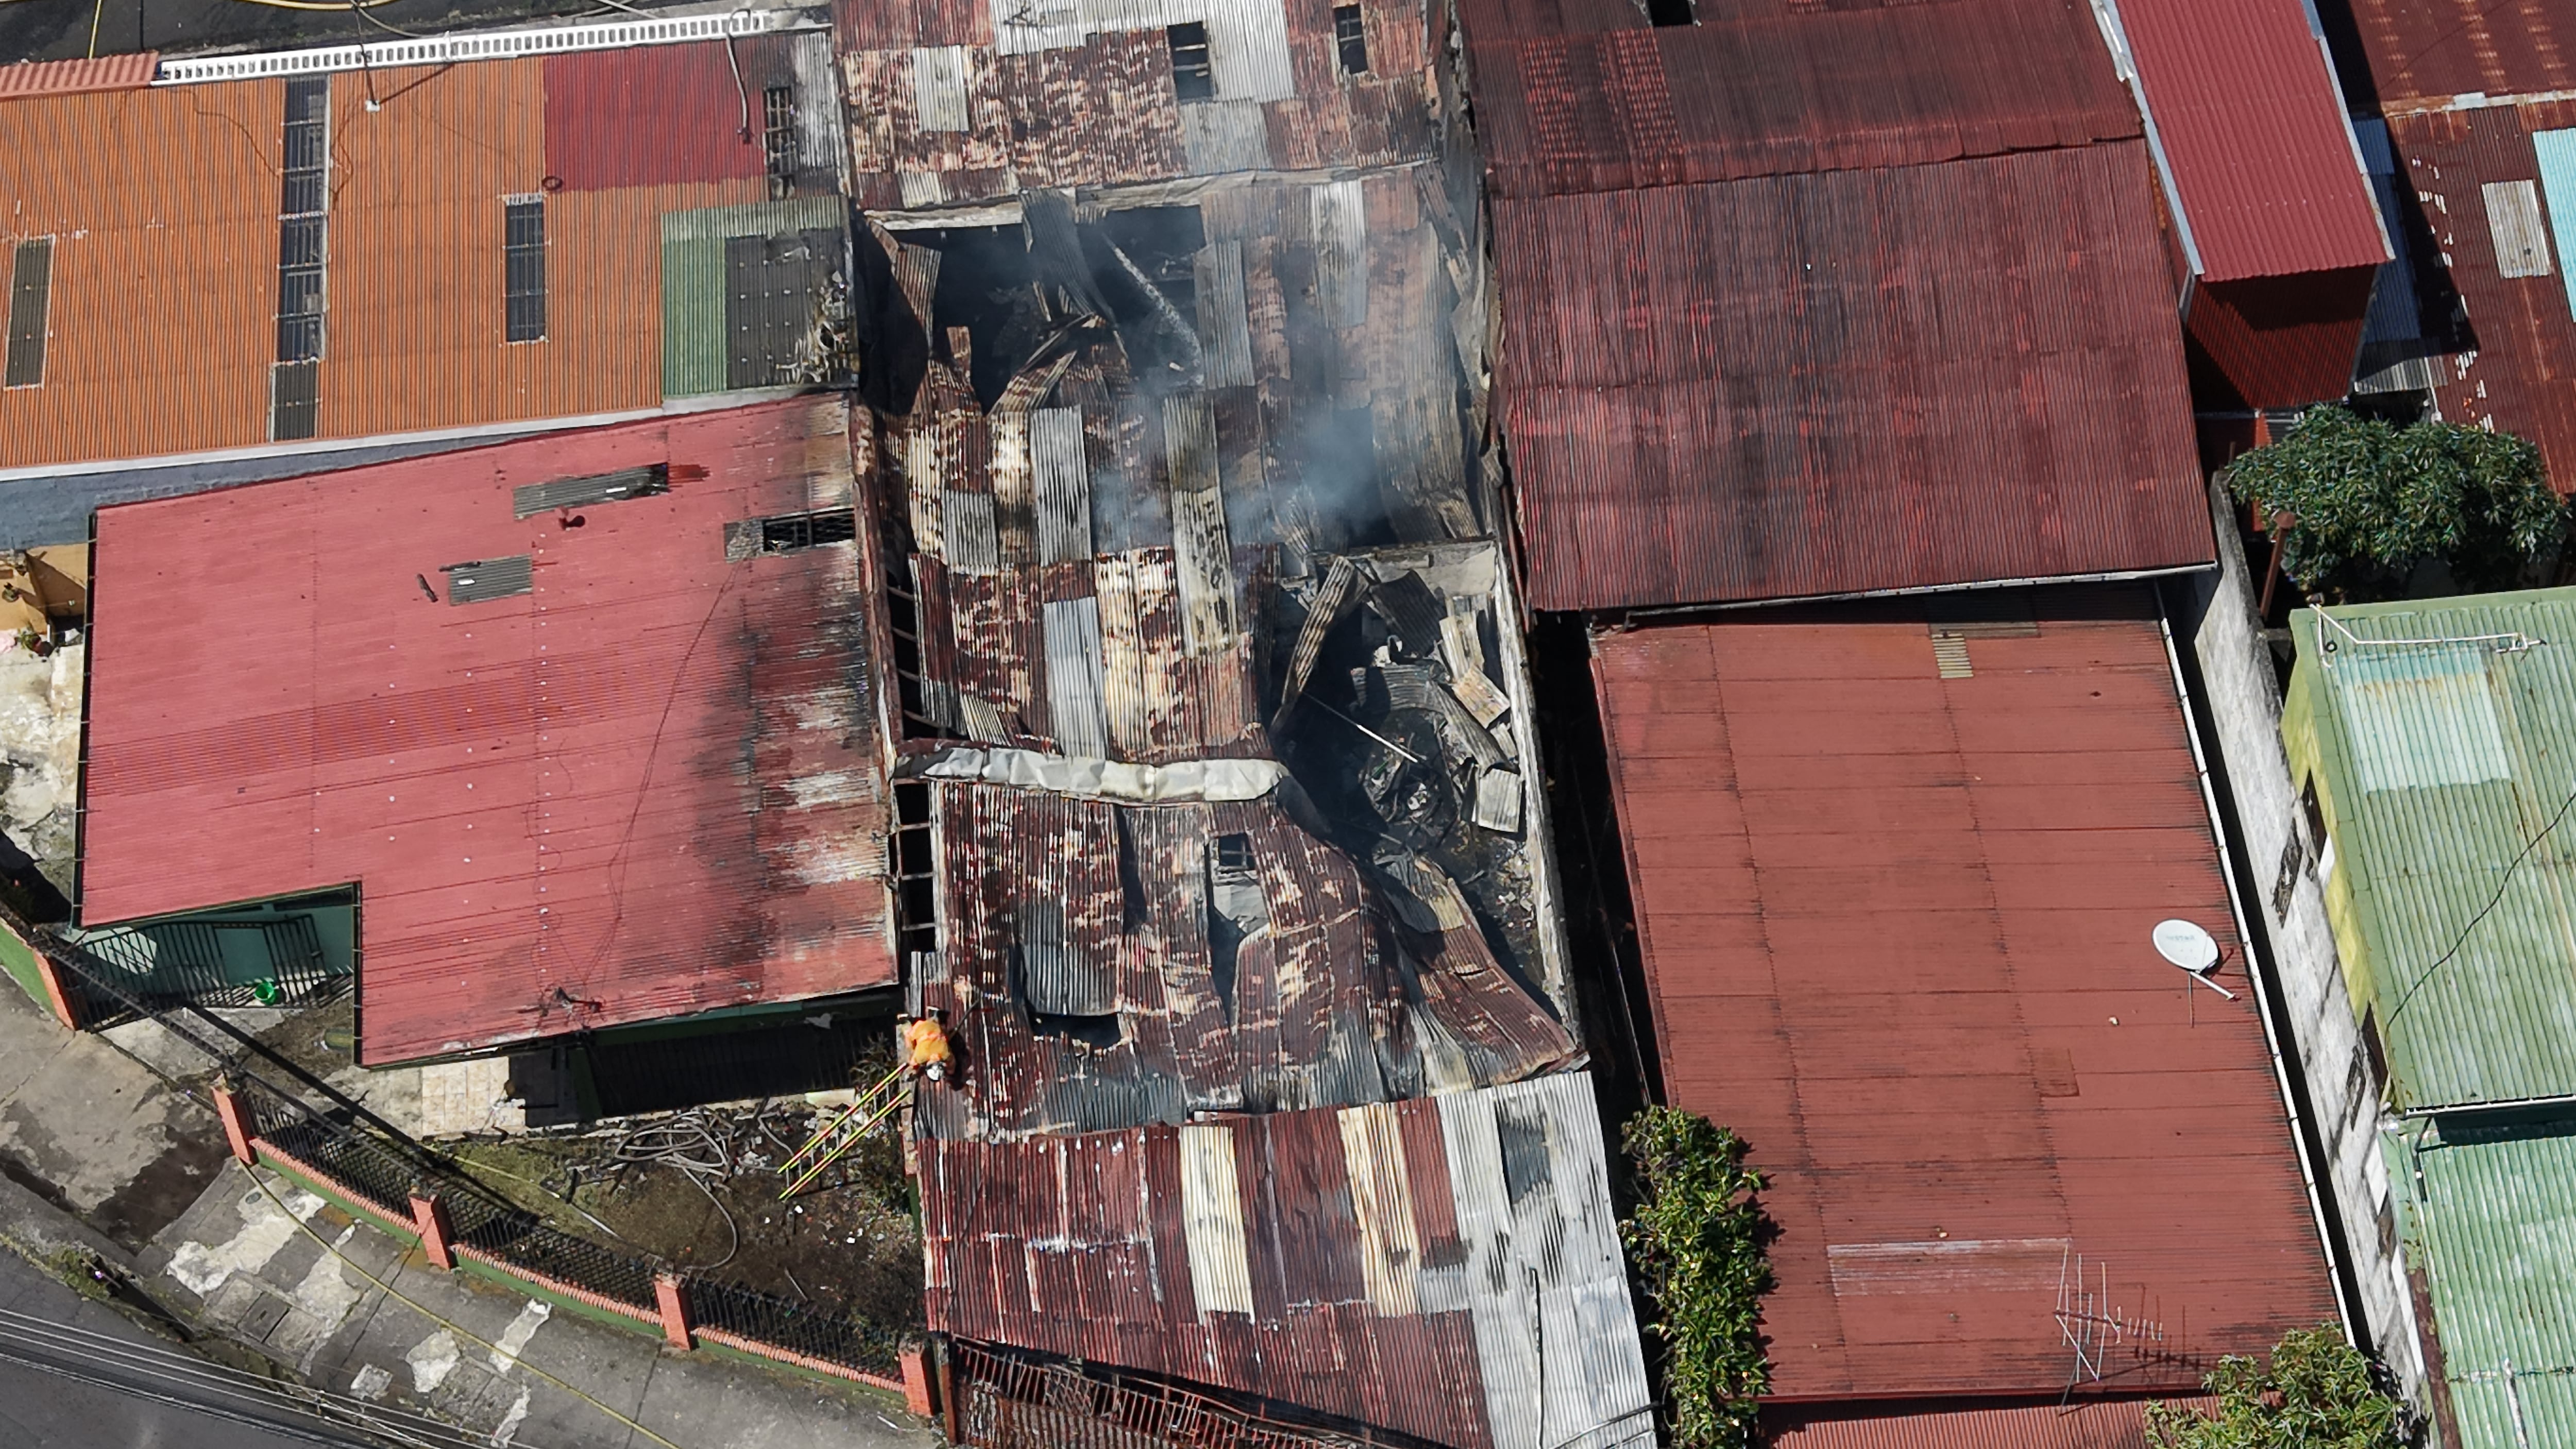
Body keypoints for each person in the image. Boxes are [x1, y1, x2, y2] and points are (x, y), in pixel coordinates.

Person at [904, 1013, 954, 1083]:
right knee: (910, 1049)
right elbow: (952, 1069)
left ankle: (935, 1017)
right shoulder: (920, 1057)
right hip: (920, 1027)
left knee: (943, 1035)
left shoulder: (945, 1053)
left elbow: (951, 1066)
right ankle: (910, 1022)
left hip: (932, 1026)